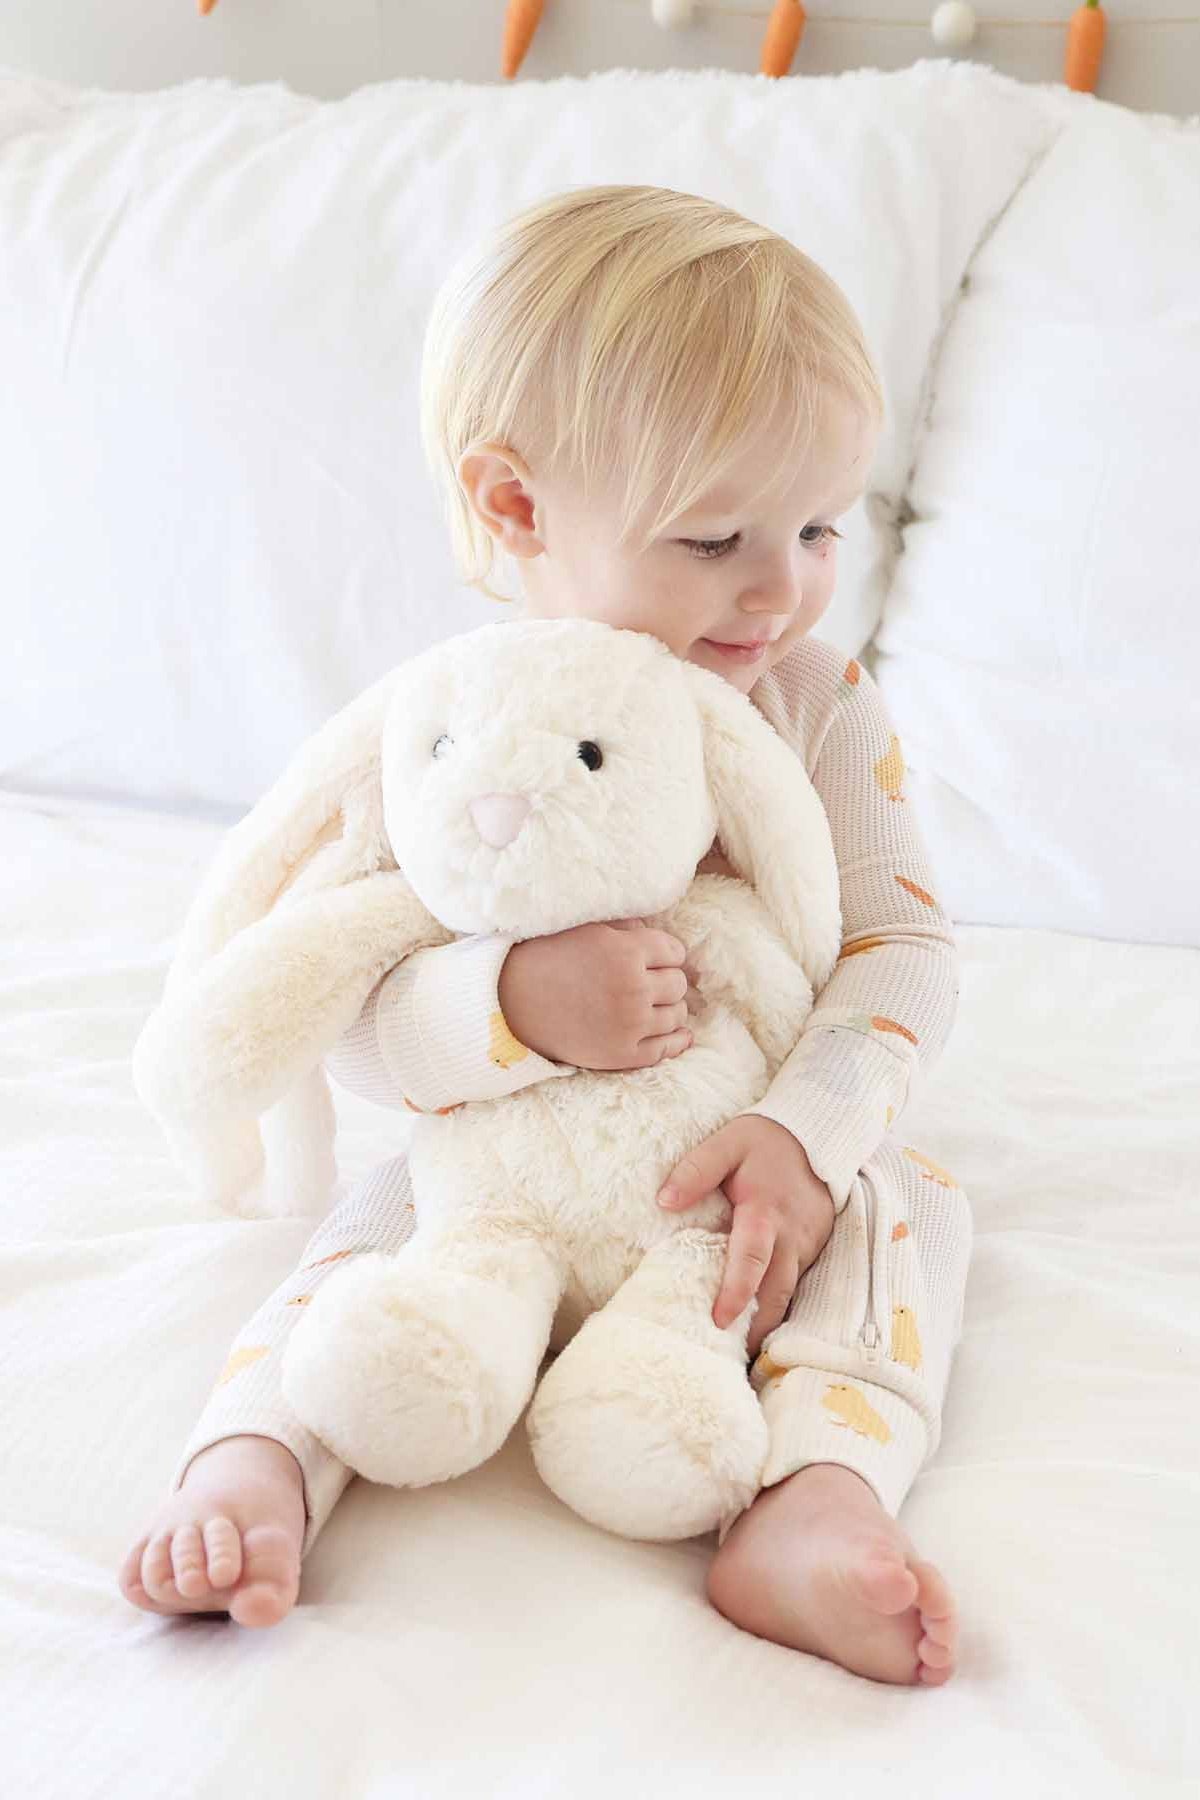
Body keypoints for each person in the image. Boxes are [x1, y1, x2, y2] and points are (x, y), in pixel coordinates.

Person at [119, 185, 972, 1687]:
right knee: (370, 1226)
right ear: (517, 507)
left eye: (819, 527)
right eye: (716, 536)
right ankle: (260, 1456)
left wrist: (801, 1135)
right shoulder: (455, 734)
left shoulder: (819, 706)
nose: (781, 589)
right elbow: (349, 1003)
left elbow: (902, 947)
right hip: (494, 1183)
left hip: (731, 1184)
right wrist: (508, 1007)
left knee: (903, 1210)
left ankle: (815, 1491)